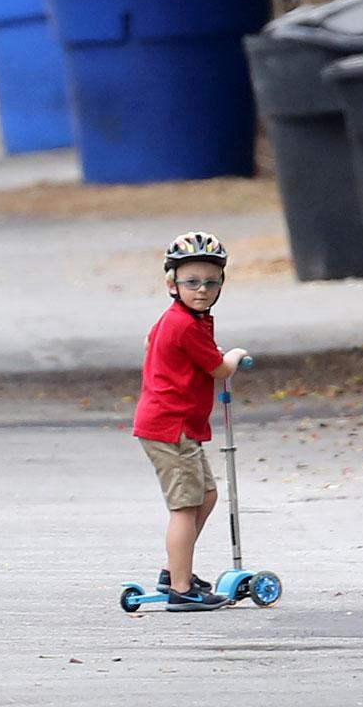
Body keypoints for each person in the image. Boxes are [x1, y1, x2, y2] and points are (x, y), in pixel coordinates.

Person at [132, 232, 249, 611]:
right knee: (184, 506)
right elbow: (219, 369)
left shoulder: (178, 321)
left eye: (211, 282)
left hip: (174, 425)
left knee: (206, 495)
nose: (202, 290)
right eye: (192, 282)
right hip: (171, 427)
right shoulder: (183, 324)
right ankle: (181, 590)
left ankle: (173, 570)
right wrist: (235, 354)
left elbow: (157, 348)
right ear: (172, 284)